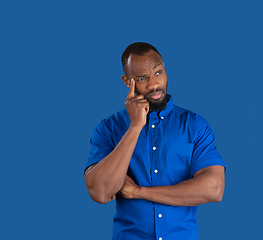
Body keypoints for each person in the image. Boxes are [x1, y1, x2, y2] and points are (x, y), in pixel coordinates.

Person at [84, 42, 226, 240]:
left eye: (158, 73)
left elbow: (214, 189)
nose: (153, 85)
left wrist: (138, 192)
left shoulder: (194, 125)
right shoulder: (109, 128)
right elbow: (100, 192)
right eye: (142, 78)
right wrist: (135, 127)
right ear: (127, 81)